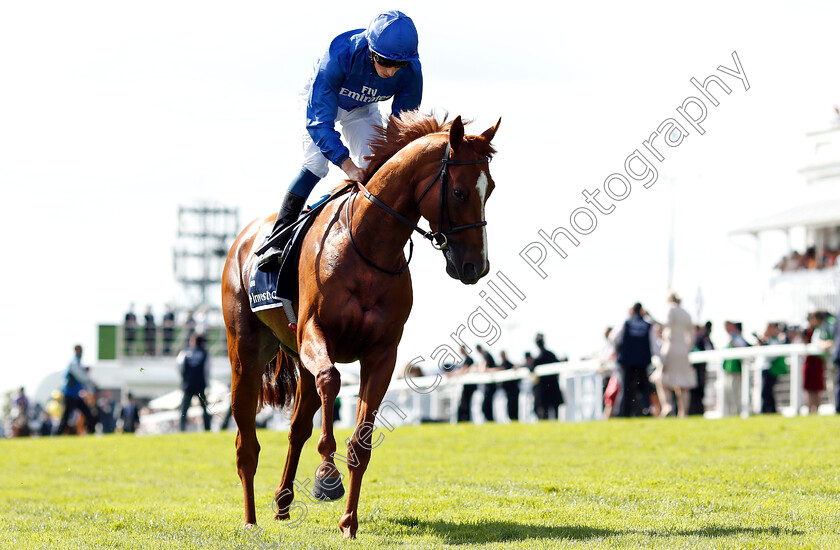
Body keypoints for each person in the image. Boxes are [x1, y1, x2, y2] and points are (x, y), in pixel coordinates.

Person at [257, 10, 423, 270]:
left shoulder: (411, 71)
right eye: (384, 61)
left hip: (362, 108)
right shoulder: (339, 54)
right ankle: (277, 238)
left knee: (376, 166)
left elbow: (400, 126)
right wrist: (347, 165)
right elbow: (319, 123)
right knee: (316, 163)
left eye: (398, 65)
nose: (391, 72)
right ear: (370, 50)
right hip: (323, 103)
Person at [611, 303, 659, 417]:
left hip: (626, 361)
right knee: (643, 389)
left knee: (626, 389)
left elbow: (613, 338)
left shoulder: (626, 323)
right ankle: (646, 411)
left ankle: (624, 413)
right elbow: (654, 345)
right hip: (642, 361)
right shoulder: (648, 325)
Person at [659, 293, 697, 418]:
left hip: (671, 347)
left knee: (661, 378)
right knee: (683, 383)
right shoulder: (687, 314)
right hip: (683, 350)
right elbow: (691, 338)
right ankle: (683, 412)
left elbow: (665, 325)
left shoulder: (670, 309)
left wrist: (650, 318)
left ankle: (667, 406)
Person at [57, 345, 97, 435]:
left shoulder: (77, 362)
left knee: (86, 413)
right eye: (79, 351)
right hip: (70, 394)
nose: (81, 353)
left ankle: (91, 431)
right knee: (66, 416)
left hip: (75, 395)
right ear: (76, 350)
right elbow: (82, 377)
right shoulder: (74, 363)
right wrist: (91, 382)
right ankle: (58, 433)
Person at [178, 334, 212, 431]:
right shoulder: (205, 354)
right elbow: (207, 371)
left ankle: (182, 428)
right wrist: (208, 385)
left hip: (188, 385)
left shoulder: (185, 353)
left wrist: (184, 379)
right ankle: (207, 428)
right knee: (205, 409)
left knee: (184, 409)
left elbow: (180, 367)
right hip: (200, 385)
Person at [803, 311, 833, 414]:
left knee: (818, 387)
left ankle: (817, 409)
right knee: (810, 388)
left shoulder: (827, 327)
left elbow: (830, 341)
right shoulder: (814, 330)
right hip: (812, 361)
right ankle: (811, 409)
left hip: (819, 361)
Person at [532, 333, 564, 420]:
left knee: (547, 408)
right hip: (547, 387)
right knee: (548, 408)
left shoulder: (539, 357)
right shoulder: (548, 355)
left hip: (547, 387)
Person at [757, 323, 787, 414]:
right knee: (766, 391)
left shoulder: (775, 340)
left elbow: (773, 355)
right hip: (765, 368)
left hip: (771, 369)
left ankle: (768, 410)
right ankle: (769, 410)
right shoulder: (767, 340)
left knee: (766, 391)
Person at [721, 321, 749, 415]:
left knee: (736, 393)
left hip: (736, 370)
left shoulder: (737, 338)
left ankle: (737, 412)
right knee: (728, 393)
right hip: (727, 370)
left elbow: (744, 348)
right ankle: (730, 413)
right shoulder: (728, 339)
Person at [689, 321, 713, 416]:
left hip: (700, 371)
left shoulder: (702, 339)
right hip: (693, 371)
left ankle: (698, 412)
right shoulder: (692, 340)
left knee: (699, 393)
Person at [476, 344, 501, 422]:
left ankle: (490, 420)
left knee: (486, 405)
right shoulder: (486, 355)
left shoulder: (486, 355)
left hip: (491, 385)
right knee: (487, 405)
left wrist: (479, 370)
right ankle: (490, 420)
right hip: (489, 385)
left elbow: (483, 368)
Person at [451, 346, 477, 423]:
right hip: (467, 386)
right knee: (464, 403)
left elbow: (464, 370)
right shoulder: (466, 360)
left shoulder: (469, 359)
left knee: (465, 404)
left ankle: (465, 420)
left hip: (470, 386)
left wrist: (452, 375)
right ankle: (464, 420)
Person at [498, 350, 520, 422]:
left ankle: (515, 418)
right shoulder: (501, 365)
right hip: (507, 390)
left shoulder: (509, 364)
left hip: (513, 389)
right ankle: (511, 418)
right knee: (509, 405)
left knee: (514, 405)